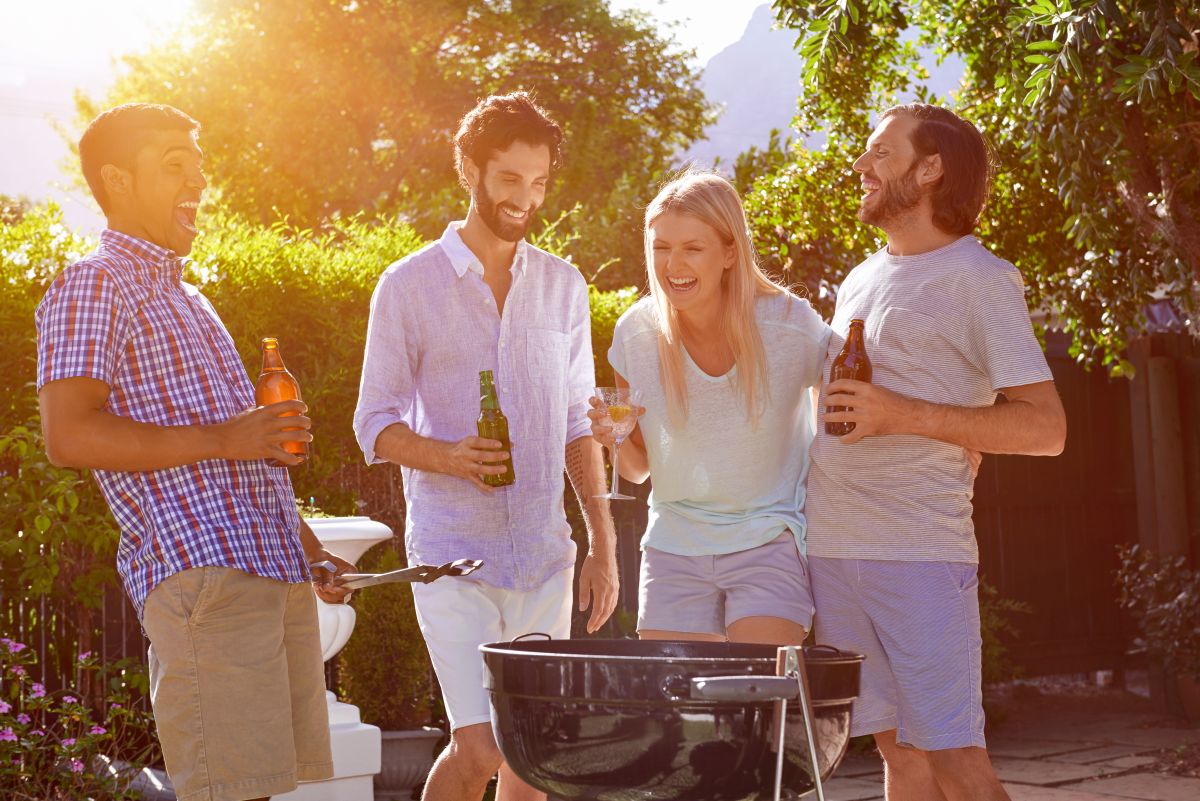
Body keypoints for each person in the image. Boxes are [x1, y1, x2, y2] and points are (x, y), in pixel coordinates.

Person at [35, 103, 354, 801]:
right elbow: (69, 434)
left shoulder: (193, 300)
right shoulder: (94, 284)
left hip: (267, 573)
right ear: (117, 181)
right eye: (174, 165)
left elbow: (243, 459)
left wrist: (308, 546)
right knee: (231, 792)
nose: (199, 180)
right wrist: (226, 436)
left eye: (198, 163)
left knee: (260, 789)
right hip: (202, 578)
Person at [352, 91, 617, 801]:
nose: (525, 199)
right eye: (509, 179)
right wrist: (450, 456)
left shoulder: (563, 286)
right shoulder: (407, 287)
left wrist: (602, 536)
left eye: (538, 182)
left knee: (531, 758)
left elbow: (577, 420)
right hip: (453, 556)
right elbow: (372, 423)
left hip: (544, 552)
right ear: (468, 168)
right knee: (481, 748)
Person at [806, 103, 1068, 801]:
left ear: (930, 169)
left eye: (881, 153)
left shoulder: (978, 278)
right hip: (835, 548)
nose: (862, 165)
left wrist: (908, 415)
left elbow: (1046, 427)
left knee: (956, 759)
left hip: (918, 552)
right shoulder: (861, 277)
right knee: (900, 754)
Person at [591, 171, 830, 647]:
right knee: (681, 717)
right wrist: (612, 439)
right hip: (674, 544)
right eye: (661, 248)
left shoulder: (790, 326)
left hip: (770, 538)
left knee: (759, 703)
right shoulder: (635, 335)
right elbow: (637, 471)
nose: (673, 264)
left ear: (729, 253)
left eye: (692, 248)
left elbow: (846, 414)